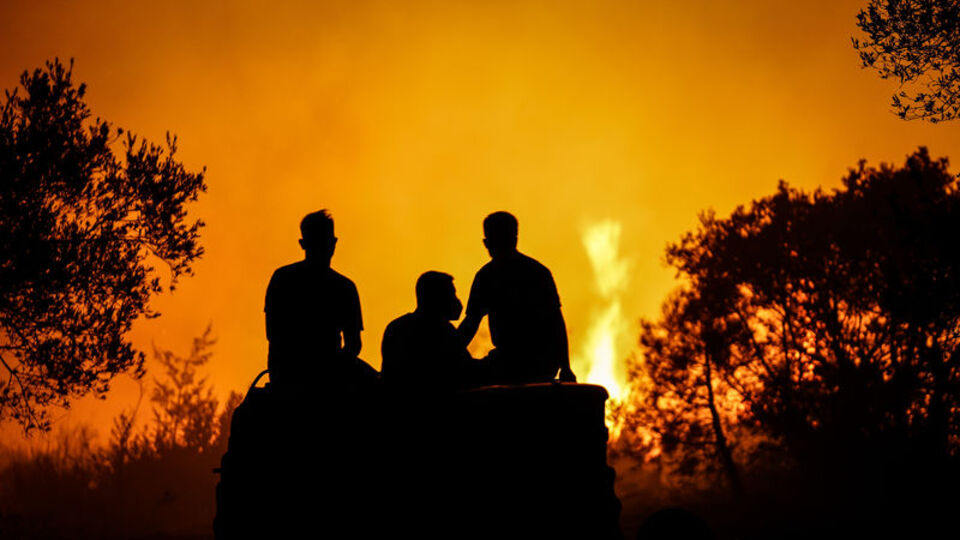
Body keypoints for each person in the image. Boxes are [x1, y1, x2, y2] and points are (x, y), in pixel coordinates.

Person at [458, 211, 576, 384]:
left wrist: (565, 367)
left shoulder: (535, 274)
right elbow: (471, 323)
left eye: (501, 239)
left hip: (535, 363)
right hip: (509, 359)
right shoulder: (487, 277)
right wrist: (448, 350)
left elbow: (555, 322)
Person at [264, 210, 369, 389]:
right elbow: (354, 345)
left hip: (290, 374)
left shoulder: (282, 278)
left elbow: (272, 334)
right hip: (304, 376)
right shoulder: (345, 287)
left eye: (326, 241)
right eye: (320, 242)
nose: (325, 247)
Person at [381, 271, 480, 392]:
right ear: (437, 298)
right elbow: (466, 369)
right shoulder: (442, 331)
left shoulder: (396, 327)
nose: (457, 301)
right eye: (452, 295)